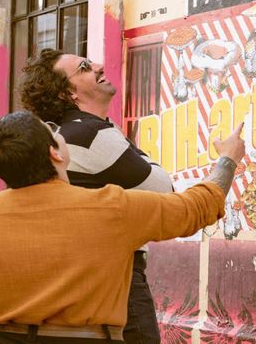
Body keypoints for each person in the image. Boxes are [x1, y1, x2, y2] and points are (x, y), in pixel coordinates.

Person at [0, 111, 244, 342]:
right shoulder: (111, 208)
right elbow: (199, 206)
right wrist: (227, 158)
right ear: (55, 152)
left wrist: (8, 305)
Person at [20, 49, 173, 344]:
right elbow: (163, 188)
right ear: (69, 93)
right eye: (85, 67)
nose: (100, 66)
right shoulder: (91, 133)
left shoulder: (62, 134)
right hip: (117, 278)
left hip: (72, 280)